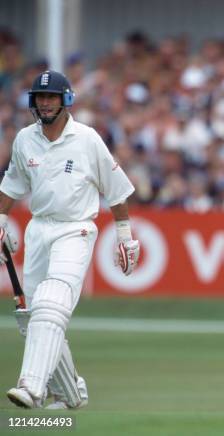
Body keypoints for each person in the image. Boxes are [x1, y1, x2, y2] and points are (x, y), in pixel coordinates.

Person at [1, 71, 139, 409]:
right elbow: (11, 187)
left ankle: (32, 386)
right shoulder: (24, 140)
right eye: (39, 98)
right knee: (39, 317)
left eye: (52, 97)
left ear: (66, 101)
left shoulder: (87, 139)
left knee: (51, 303)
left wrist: (125, 235)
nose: (45, 103)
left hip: (75, 229)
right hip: (39, 230)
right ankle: (71, 393)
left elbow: (116, 190)